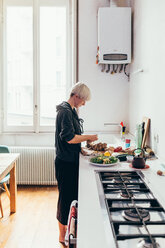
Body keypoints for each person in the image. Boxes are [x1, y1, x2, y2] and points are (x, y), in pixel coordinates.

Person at [55, 82, 98, 246]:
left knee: (71, 197)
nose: (84, 103)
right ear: (76, 96)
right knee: (65, 199)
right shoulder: (65, 112)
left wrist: (82, 150)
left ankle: (70, 232)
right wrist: (88, 137)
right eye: (83, 100)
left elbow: (73, 139)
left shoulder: (70, 111)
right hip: (65, 163)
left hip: (70, 160)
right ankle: (61, 235)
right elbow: (69, 138)